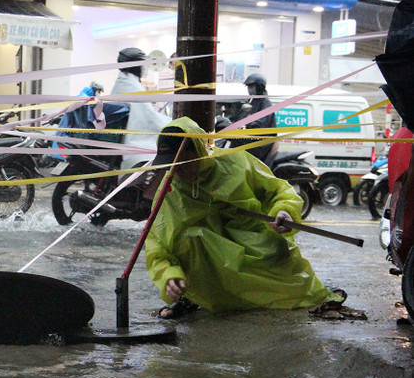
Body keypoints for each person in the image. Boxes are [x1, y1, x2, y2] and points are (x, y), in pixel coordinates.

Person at [145, 117, 345, 319]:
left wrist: (283, 211)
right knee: (190, 239)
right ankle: (190, 298)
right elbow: (158, 242)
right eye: (171, 165)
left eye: (181, 164)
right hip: (205, 256)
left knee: (280, 254)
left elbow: (278, 190)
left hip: (251, 240)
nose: (176, 171)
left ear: (198, 151)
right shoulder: (170, 187)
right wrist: (168, 276)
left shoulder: (233, 162)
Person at [111, 47, 171, 172]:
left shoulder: (123, 82)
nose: (145, 68)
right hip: (132, 141)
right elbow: (149, 118)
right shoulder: (131, 86)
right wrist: (171, 124)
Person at [229, 73, 276, 162]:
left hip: (260, 143)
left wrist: (248, 124)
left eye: (251, 87)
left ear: (259, 87)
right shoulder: (252, 102)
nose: (249, 90)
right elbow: (241, 116)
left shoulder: (265, 103)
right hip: (250, 139)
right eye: (248, 87)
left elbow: (262, 121)